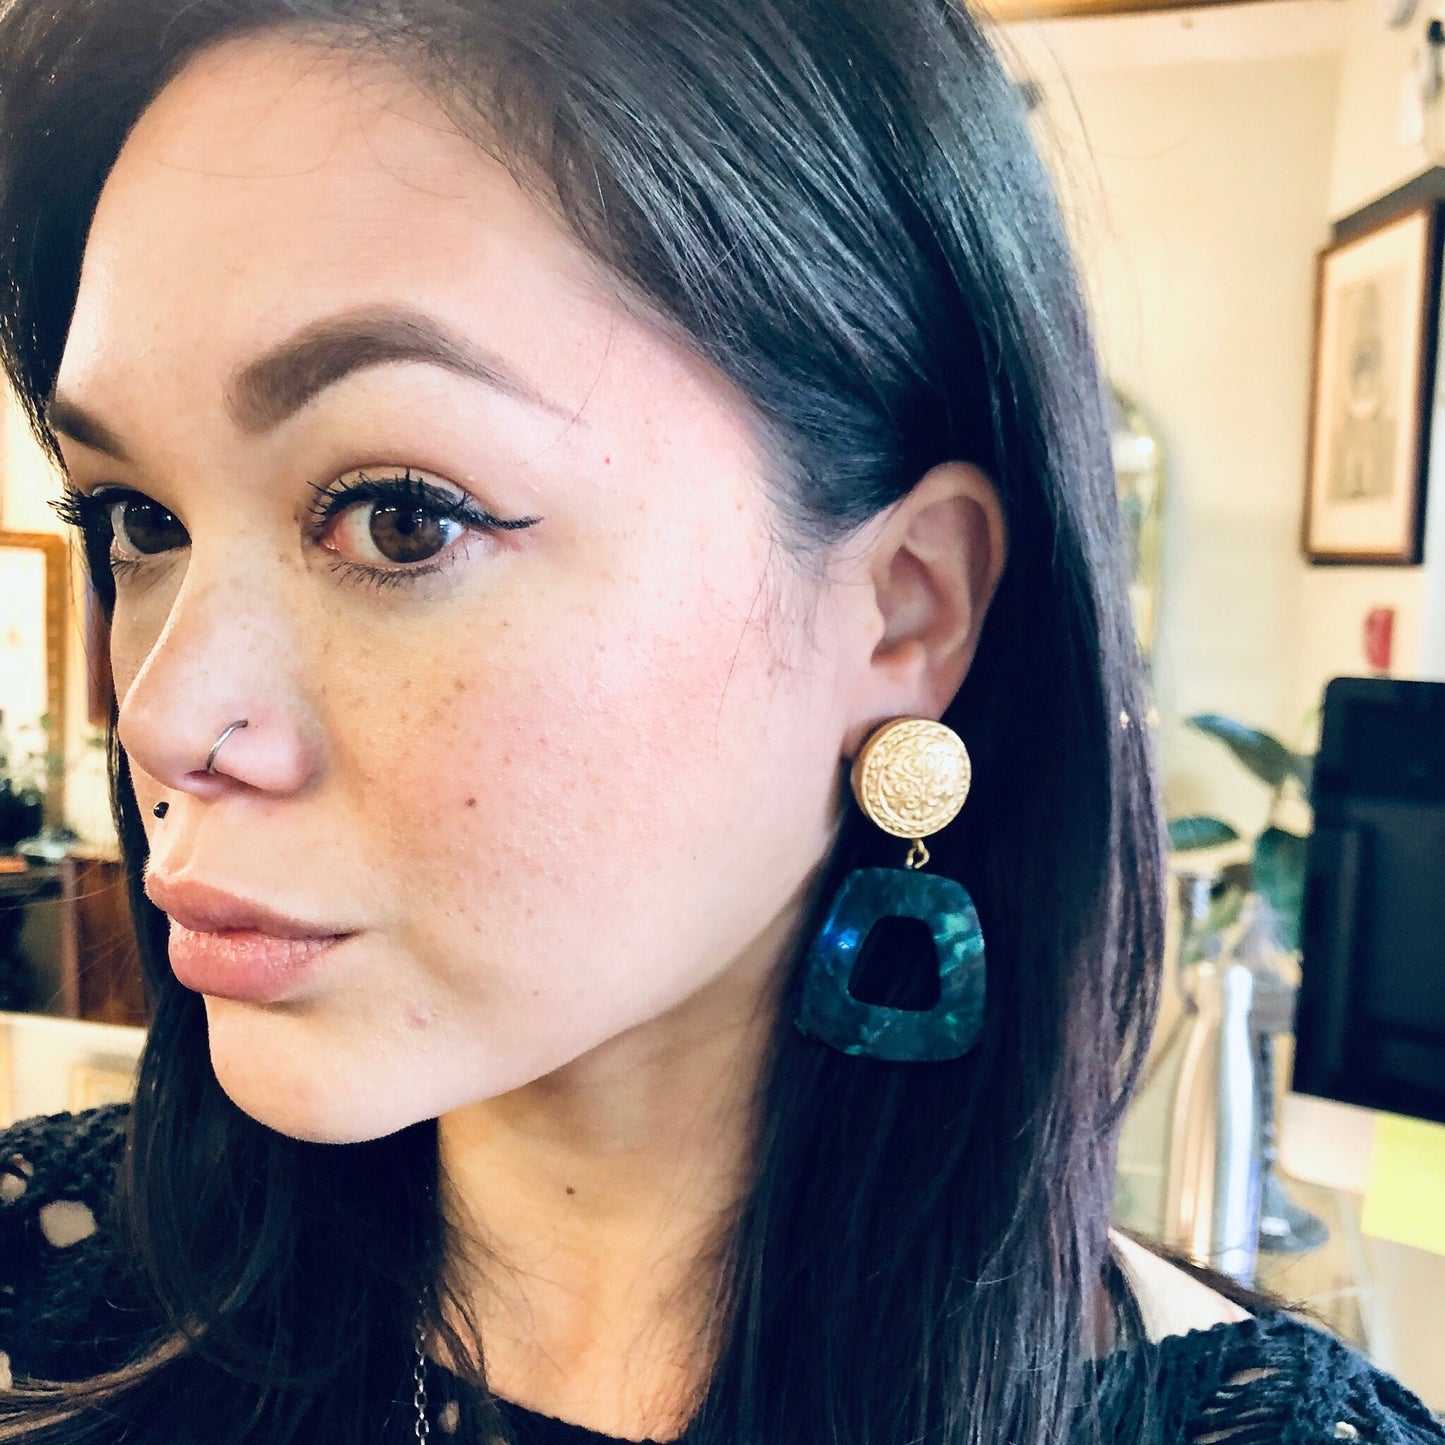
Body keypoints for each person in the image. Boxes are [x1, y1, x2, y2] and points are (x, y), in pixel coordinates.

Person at [0, 2, 1439, 1442]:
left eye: (399, 516)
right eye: (138, 518)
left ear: (903, 609)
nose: (165, 715)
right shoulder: (41, 1286)